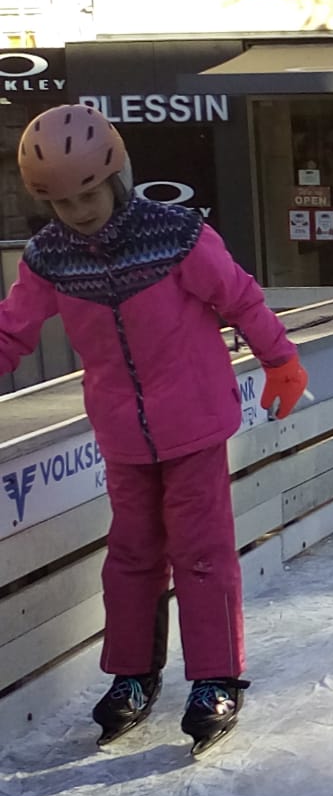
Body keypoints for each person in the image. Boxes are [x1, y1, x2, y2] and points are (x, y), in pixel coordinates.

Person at [3, 103, 309, 755]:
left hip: (194, 422)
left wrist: (280, 359)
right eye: (63, 202)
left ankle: (215, 678)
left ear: (115, 177)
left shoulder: (176, 235)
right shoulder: (48, 258)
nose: (80, 210)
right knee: (132, 556)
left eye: (89, 193)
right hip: (121, 433)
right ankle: (134, 675)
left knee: (201, 552)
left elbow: (240, 297)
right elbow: (12, 331)